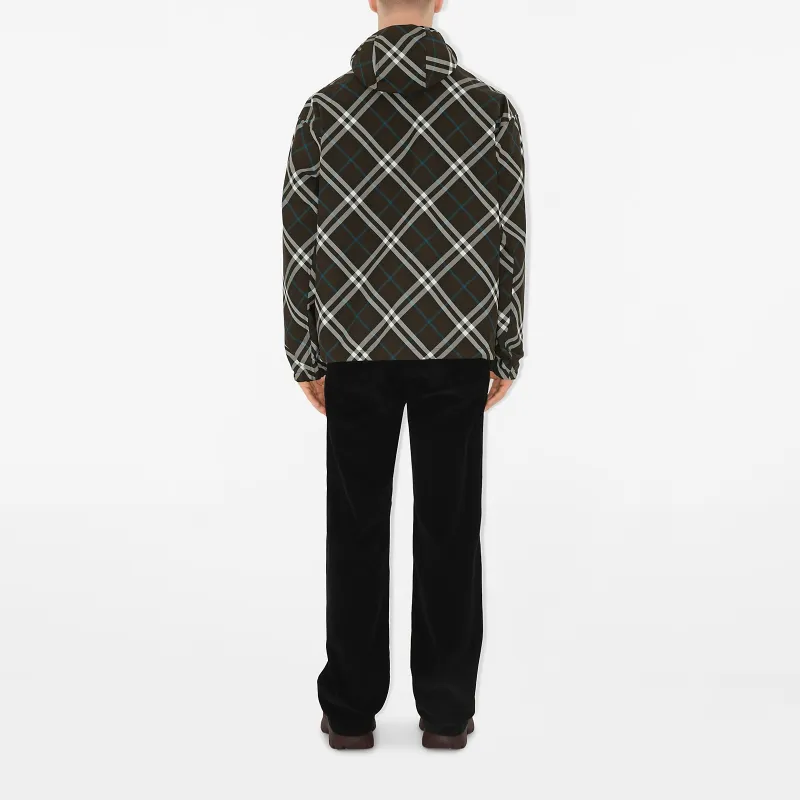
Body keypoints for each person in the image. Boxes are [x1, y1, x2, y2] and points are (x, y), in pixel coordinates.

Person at [281, 0, 526, 750]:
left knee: (356, 529)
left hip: (355, 345)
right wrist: (506, 344)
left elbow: (298, 238)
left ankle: (351, 711)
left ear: (371, 0)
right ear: (440, 0)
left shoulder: (324, 112)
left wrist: (304, 349)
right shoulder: (490, 111)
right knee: (450, 528)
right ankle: (446, 712)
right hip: (456, 344)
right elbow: (509, 239)